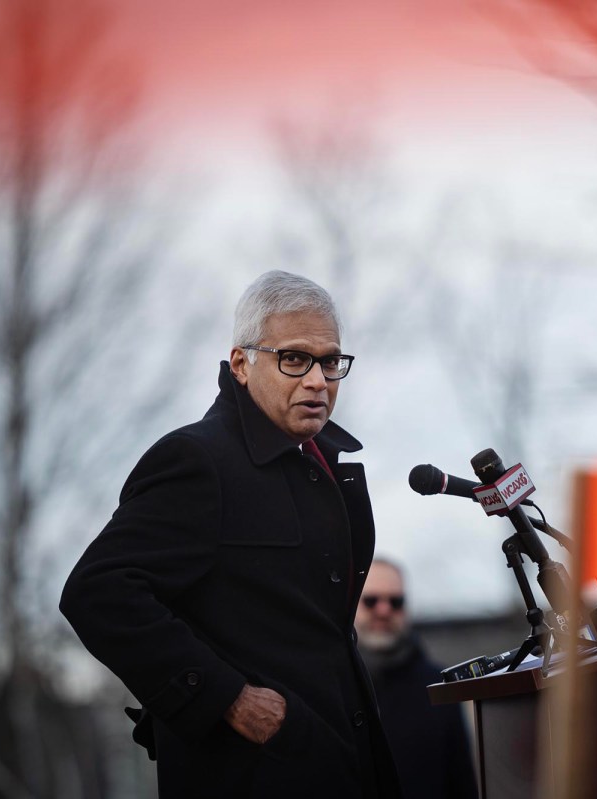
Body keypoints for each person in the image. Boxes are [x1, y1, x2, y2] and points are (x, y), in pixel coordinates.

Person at [60, 271, 400, 798]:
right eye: (294, 359)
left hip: (337, 764)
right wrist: (227, 699)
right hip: (249, 775)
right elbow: (97, 592)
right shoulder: (198, 460)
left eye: (330, 362)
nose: (318, 380)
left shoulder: (323, 463)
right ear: (241, 364)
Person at [355, 558, 479, 799]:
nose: (384, 610)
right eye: (371, 601)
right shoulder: (330, 686)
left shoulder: (439, 687)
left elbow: (461, 781)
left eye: (396, 601)